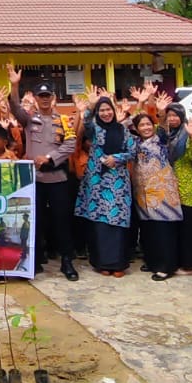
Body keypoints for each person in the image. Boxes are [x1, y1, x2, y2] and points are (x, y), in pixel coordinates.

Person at [7, 65, 80, 281]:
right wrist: (14, 85)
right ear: (36, 99)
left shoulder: (64, 120)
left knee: (62, 221)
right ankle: (34, 260)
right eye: (41, 96)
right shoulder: (30, 119)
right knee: (34, 221)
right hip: (35, 180)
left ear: (53, 98)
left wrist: (49, 158)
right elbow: (15, 108)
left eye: (48, 96)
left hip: (57, 178)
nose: (45, 99)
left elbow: (70, 145)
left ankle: (67, 261)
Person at [74, 96, 136, 276]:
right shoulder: (95, 129)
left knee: (117, 221)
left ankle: (118, 264)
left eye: (108, 109)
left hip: (118, 183)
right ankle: (102, 264)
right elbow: (86, 121)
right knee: (100, 223)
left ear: (113, 111)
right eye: (101, 110)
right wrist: (91, 105)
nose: (106, 113)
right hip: (97, 183)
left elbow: (132, 151)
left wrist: (116, 158)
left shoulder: (123, 130)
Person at [130, 112, 182, 281]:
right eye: (141, 125)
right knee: (148, 230)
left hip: (162, 192)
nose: (146, 128)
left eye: (148, 124)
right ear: (137, 129)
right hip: (143, 193)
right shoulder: (135, 143)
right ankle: (152, 261)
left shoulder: (161, 140)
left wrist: (160, 113)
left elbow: (164, 128)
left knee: (163, 230)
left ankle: (166, 266)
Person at [162, 103, 192, 275]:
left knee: (188, 230)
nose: (172, 119)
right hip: (169, 187)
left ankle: (190, 265)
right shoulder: (167, 136)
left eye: (175, 115)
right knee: (175, 230)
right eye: (169, 116)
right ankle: (177, 261)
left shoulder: (187, 134)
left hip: (186, 187)